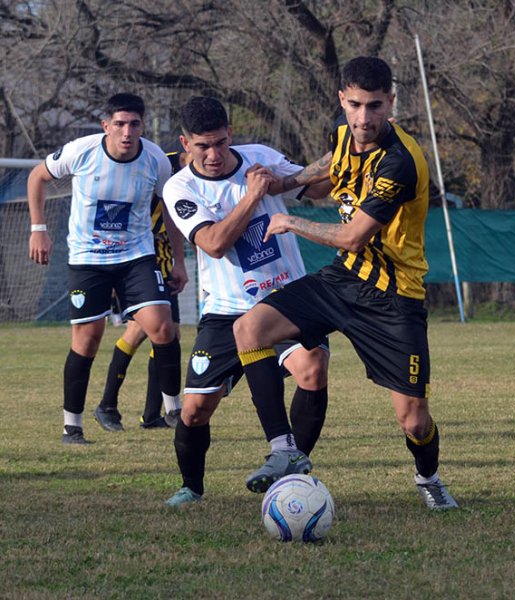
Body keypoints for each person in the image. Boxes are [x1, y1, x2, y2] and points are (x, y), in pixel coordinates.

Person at [233, 56, 459, 510]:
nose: (363, 118)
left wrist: (290, 220)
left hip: (394, 298)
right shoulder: (344, 135)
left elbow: (354, 237)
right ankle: (285, 452)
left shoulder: (400, 161)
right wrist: (285, 181)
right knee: (249, 329)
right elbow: (328, 166)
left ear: (391, 103)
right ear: (342, 99)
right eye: (354, 105)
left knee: (413, 421)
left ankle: (428, 478)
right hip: (343, 279)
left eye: (374, 106)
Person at [161, 96, 329, 506]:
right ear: (186, 144)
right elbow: (214, 244)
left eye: (220, 142)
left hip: (286, 298)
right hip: (224, 309)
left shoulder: (260, 157)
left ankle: (291, 466)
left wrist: (348, 155)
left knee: (312, 367)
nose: (214, 154)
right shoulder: (179, 187)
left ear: (230, 134)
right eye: (203, 146)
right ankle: (192, 487)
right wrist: (252, 197)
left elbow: (315, 187)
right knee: (196, 410)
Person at [27, 93, 183, 445]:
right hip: (88, 261)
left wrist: (176, 260)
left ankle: (175, 411)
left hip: (136, 257)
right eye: (120, 124)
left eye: (134, 124)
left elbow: (171, 210)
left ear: (142, 126)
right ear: (106, 125)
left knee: (162, 326)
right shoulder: (81, 150)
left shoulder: (155, 159)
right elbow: (37, 177)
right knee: (88, 340)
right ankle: (72, 426)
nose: (127, 132)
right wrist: (39, 230)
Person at [95, 151, 189, 431]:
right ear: (187, 145)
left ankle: (151, 414)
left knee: (167, 333)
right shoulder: (159, 163)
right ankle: (107, 405)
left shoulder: (203, 169)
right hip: (139, 253)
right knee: (143, 330)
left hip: (163, 251)